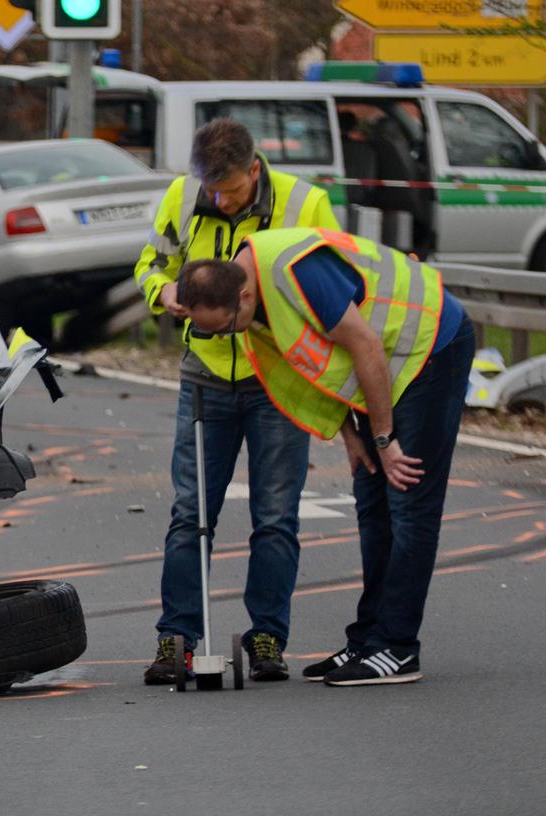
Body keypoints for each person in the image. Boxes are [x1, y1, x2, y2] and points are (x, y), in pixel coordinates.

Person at [176, 226, 472, 686]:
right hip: (385, 369)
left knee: (408, 503)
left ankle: (398, 647)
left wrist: (382, 438)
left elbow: (365, 346)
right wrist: (352, 433)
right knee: (373, 506)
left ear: (246, 296)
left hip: (431, 347)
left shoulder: (297, 273)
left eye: (227, 327)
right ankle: (369, 639)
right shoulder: (247, 293)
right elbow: (326, 363)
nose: (229, 336)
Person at [133, 118, 339, 686]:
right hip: (203, 377)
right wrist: (164, 291)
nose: (220, 200)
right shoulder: (182, 195)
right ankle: (176, 636)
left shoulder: (307, 204)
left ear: (256, 169)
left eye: (231, 190)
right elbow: (150, 265)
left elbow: (336, 288)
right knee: (190, 514)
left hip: (279, 381)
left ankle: (268, 636)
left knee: (275, 517)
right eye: (212, 190)